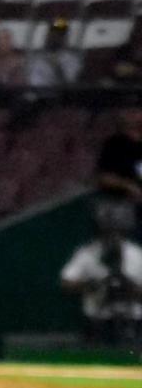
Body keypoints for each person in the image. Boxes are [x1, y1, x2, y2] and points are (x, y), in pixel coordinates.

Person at [58, 212, 142, 346]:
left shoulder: (137, 254)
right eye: (107, 230)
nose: (112, 235)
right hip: (98, 321)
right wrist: (92, 285)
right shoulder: (87, 253)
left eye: (116, 230)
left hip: (133, 320)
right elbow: (65, 283)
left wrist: (128, 287)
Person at [95, 108, 142, 207]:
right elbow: (104, 177)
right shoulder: (114, 144)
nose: (136, 116)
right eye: (132, 112)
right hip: (122, 204)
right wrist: (129, 185)